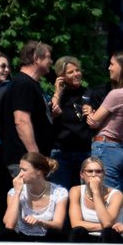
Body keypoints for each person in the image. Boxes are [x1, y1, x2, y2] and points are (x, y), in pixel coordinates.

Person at [85, 50, 123, 190]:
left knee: (106, 194)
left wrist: (90, 113)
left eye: (112, 64)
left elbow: (93, 122)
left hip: (106, 147)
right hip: (120, 148)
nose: (109, 68)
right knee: (121, 195)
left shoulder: (116, 94)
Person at [4, 40, 55, 172]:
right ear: (36, 58)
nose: (51, 62)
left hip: (31, 161)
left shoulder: (31, 84)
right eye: (48, 57)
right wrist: (36, 157)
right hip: (25, 163)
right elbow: (21, 121)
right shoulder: (23, 83)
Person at [4, 150, 69, 244]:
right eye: (20, 169)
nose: (20, 174)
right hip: (23, 239)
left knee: (57, 235)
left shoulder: (59, 192)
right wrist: (17, 193)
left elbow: (58, 225)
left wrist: (40, 222)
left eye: (24, 170)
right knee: (6, 234)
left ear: (39, 171)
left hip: (48, 240)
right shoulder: (14, 192)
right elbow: (9, 225)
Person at [47, 55, 92, 186]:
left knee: (82, 194)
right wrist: (57, 92)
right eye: (70, 72)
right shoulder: (57, 96)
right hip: (61, 153)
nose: (76, 74)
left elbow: (97, 121)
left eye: (77, 70)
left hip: (84, 152)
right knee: (61, 192)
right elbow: (51, 113)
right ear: (62, 76)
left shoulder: (90, 93)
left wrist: (92, 112)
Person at [68, 155, 123, 245]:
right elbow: (75, 223)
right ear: (82, 174)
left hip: (109, 239)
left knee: (108, 232)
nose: (93, 175)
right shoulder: (76, 191)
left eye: (98, 171)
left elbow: (107, 223)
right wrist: (111, 226)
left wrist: (96, 192)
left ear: (103, 174)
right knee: (77, 231)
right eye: (89, 171)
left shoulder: (116, 195)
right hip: (87, 237)